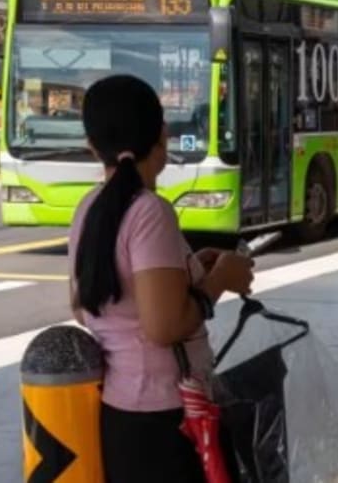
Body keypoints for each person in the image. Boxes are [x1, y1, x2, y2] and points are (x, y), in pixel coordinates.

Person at [69, 75, 255, 482]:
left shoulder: (88, 208)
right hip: (166, 417)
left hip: (120, 413)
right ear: (163, 136)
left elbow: (84, 308)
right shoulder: (150, 211)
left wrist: (190, 274)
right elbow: (163, 326)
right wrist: (220, 278)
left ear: (92, 145)